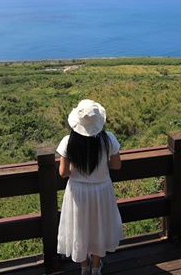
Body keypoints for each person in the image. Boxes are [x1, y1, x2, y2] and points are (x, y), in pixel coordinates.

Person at [57, 99, 123, 274]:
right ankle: (96, 267)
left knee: (81, 227)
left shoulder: (68, 142)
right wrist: (100, 168)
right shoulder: (108, 139)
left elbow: (63, 172)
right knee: (98, 226)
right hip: (101, 190)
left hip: (78, 192)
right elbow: (116, 165)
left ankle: (84, 267)